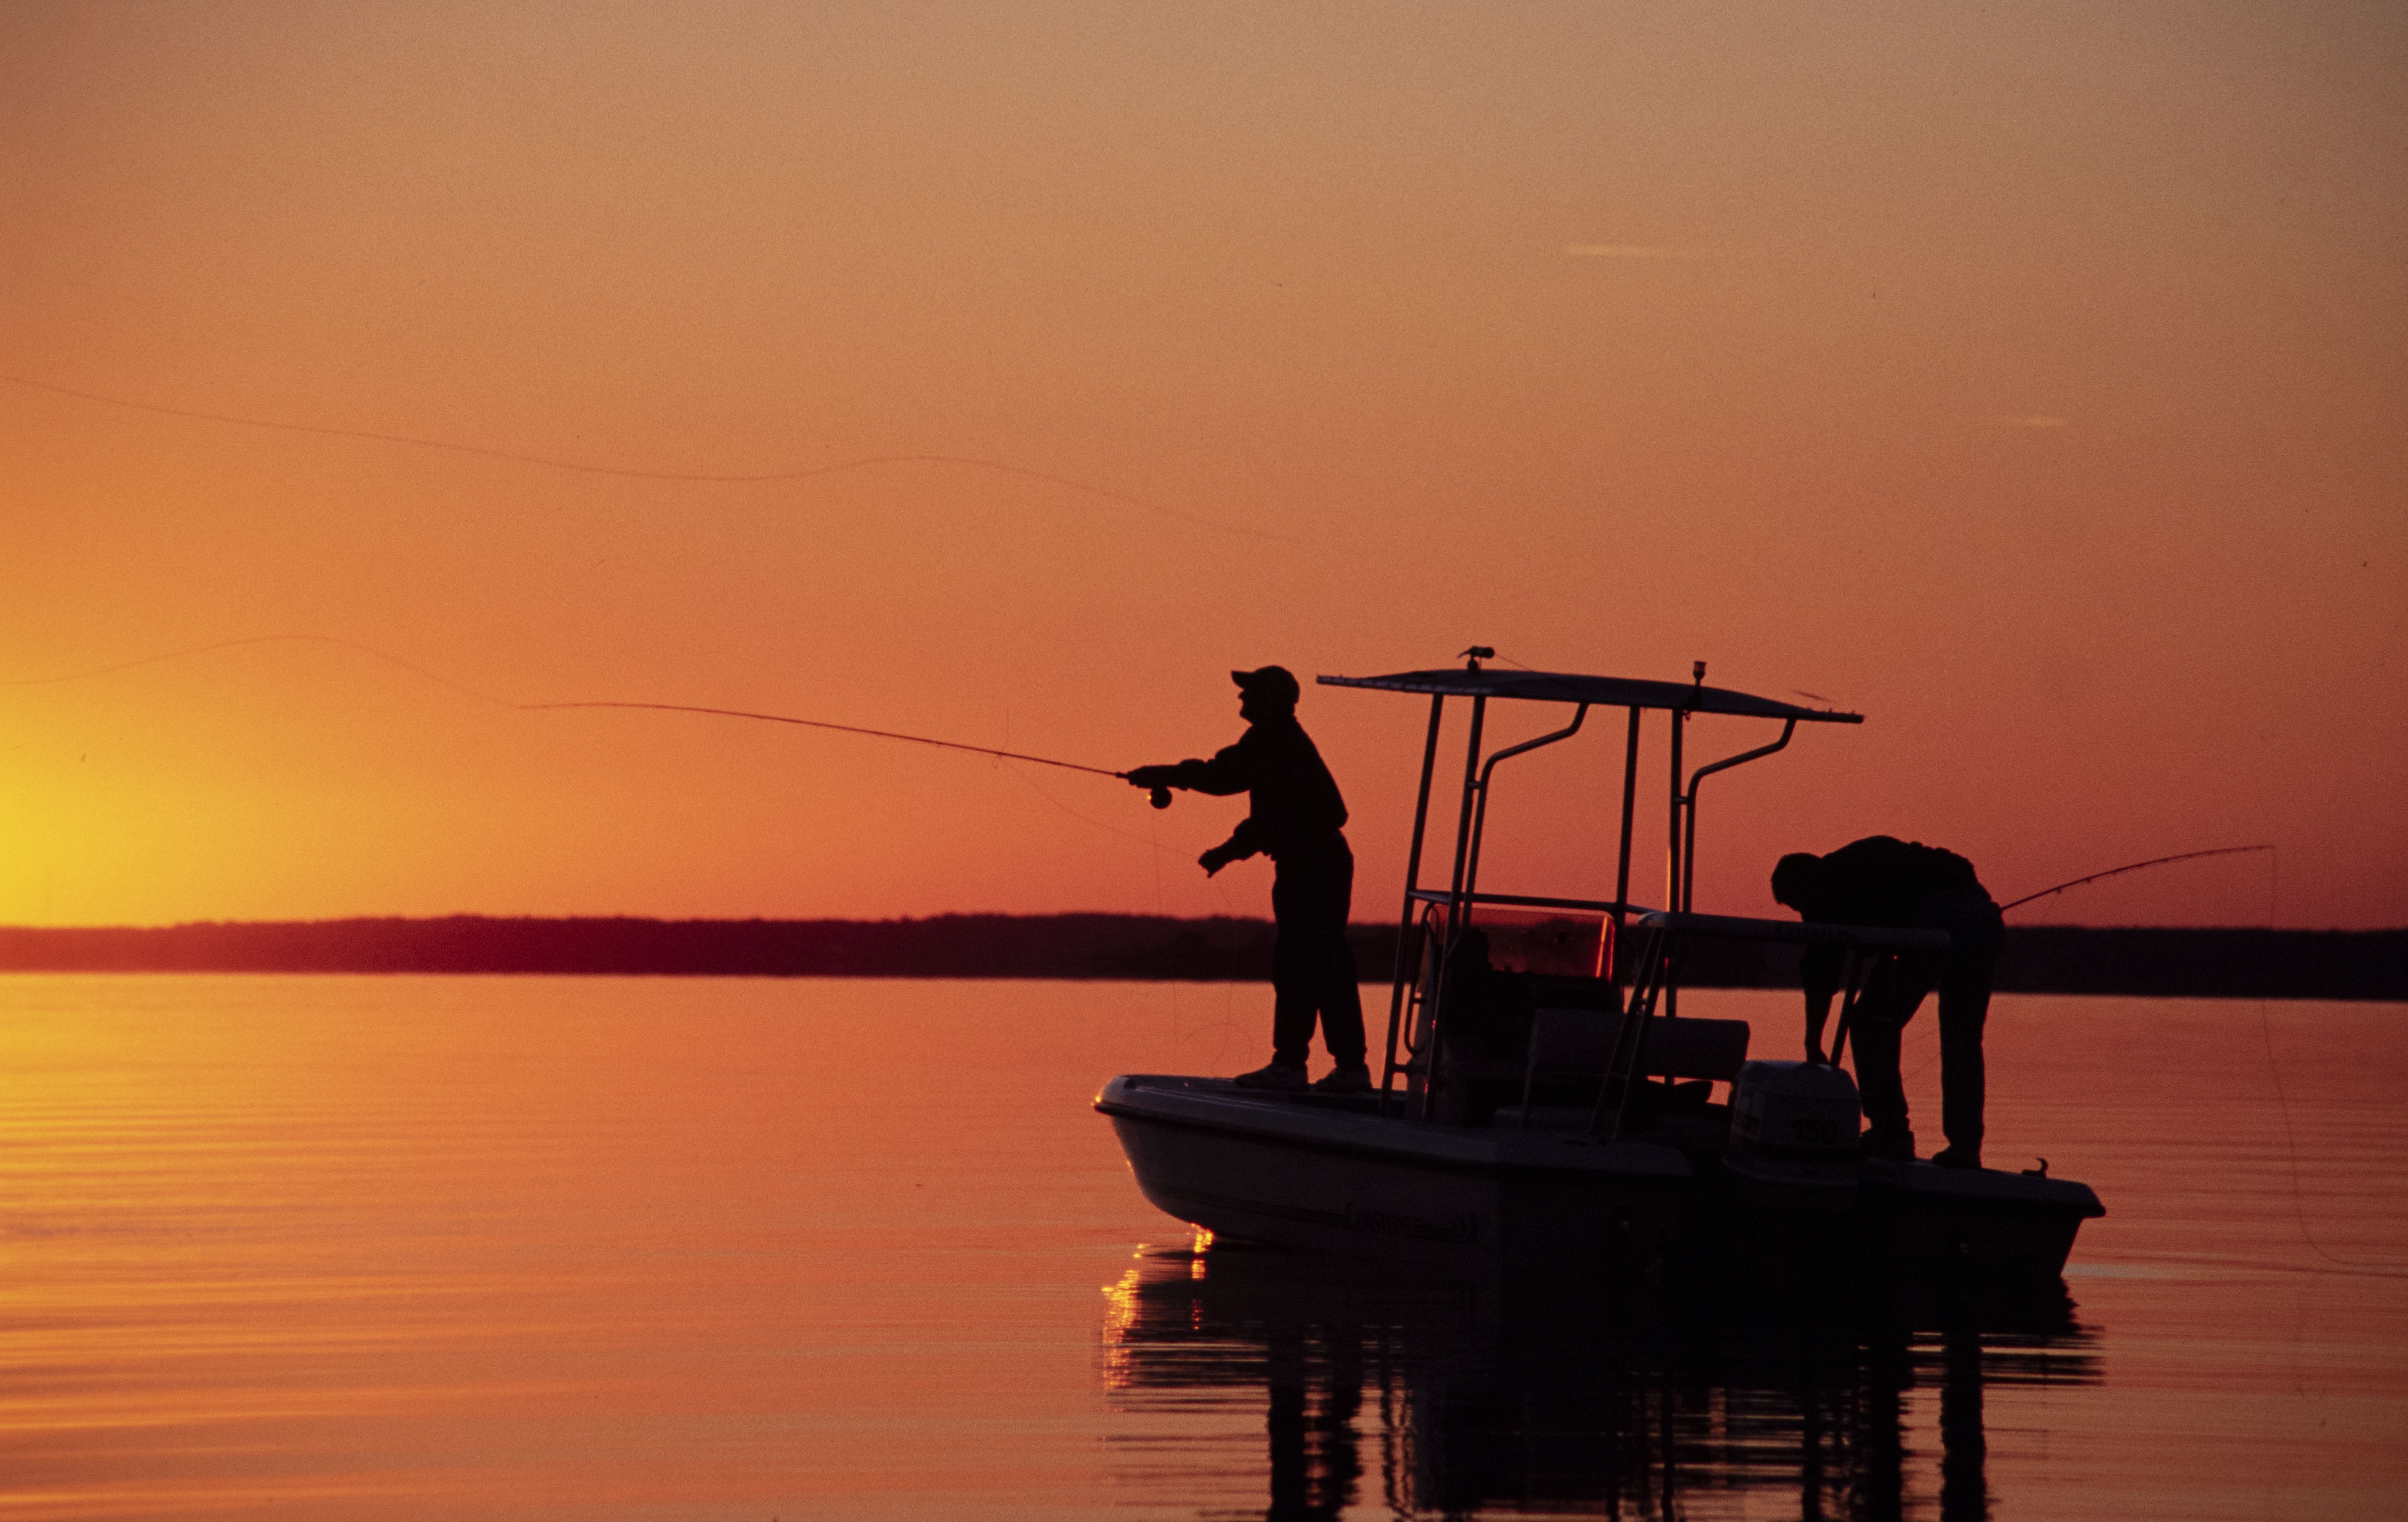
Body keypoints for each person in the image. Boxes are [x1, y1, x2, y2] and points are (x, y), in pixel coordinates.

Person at [1126, 666, 1370, 1093]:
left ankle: (1292, 1067)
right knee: (1326, 964)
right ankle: (1347, 1069)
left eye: (1248, 695)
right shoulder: (1277, 741)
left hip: (1311, 865)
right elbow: (1257, 809)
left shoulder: (1273, 742)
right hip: (1318, 862)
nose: (1240, 702)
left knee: (1300, 964)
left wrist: (1162, 775)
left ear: (1269, 701)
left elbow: (1222, 779)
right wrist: (1226, 850)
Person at [1770, 836, 2004, 1168]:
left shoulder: (1827, 888)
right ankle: (1965, 1147)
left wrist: (1812, 1042)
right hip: (1979, 911)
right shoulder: (1856, 866)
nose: (1803, 915)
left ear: (1803, 885)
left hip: (1935, 916)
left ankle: (1890, 1133)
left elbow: (1823, 969)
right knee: (1962, 1041)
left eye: (1797, 905)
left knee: (1869, 1025)